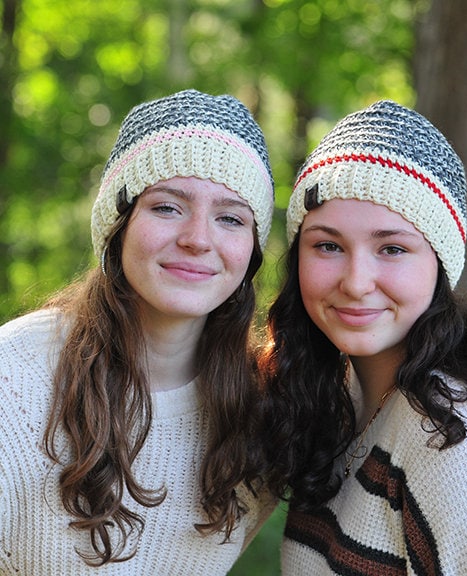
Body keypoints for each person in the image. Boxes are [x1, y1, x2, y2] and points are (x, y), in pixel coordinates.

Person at [258, 100, 467, 574]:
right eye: (328, 245)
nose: (356, 281)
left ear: (440, 265)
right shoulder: (340, 390)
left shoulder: (459, 439)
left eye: (391, 248)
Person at [0, 89, 276, 574]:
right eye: (168, 207)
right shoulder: (13, 383)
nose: (197, 238)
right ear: (118, 226)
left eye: (230, 218)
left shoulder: (260, 418)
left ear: (251, 251)